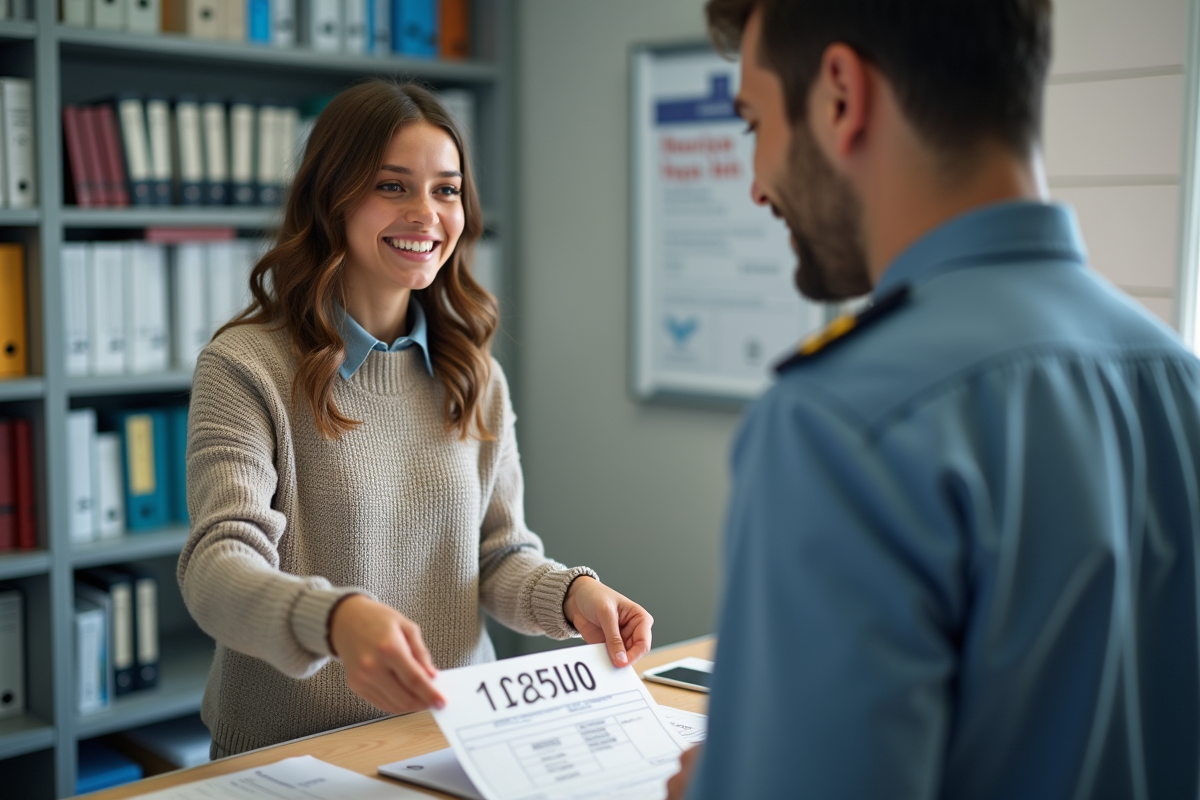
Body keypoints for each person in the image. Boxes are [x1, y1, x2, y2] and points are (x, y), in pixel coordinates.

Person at [668, 1, 1200, 798]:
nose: (756, 185)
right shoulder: (1177, 381)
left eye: (754, 125)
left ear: (841, 95)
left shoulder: (841, 423)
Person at [178, 79, 653, 759]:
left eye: (447, 189)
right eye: (392, 186)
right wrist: (335, 620)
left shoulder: (473, 372)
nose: (426, 214)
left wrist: (571, 593)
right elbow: (216, 570)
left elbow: (495, 556)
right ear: (330, 198)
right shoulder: (245, 367)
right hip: (290, 756)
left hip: (456, 745)